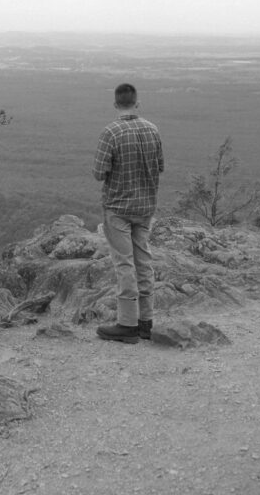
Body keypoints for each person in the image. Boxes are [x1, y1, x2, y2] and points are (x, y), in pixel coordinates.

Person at [93, 82, 163, 344]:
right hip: (145, 207)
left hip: (118, 208)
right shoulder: (153, 130)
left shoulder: (110, 132)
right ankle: (146, 322)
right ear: (137, 103)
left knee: (124, 263)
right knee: (144, 262)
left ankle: (127, 324)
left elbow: (99, 173)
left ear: (115, 105)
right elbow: (161, 166)